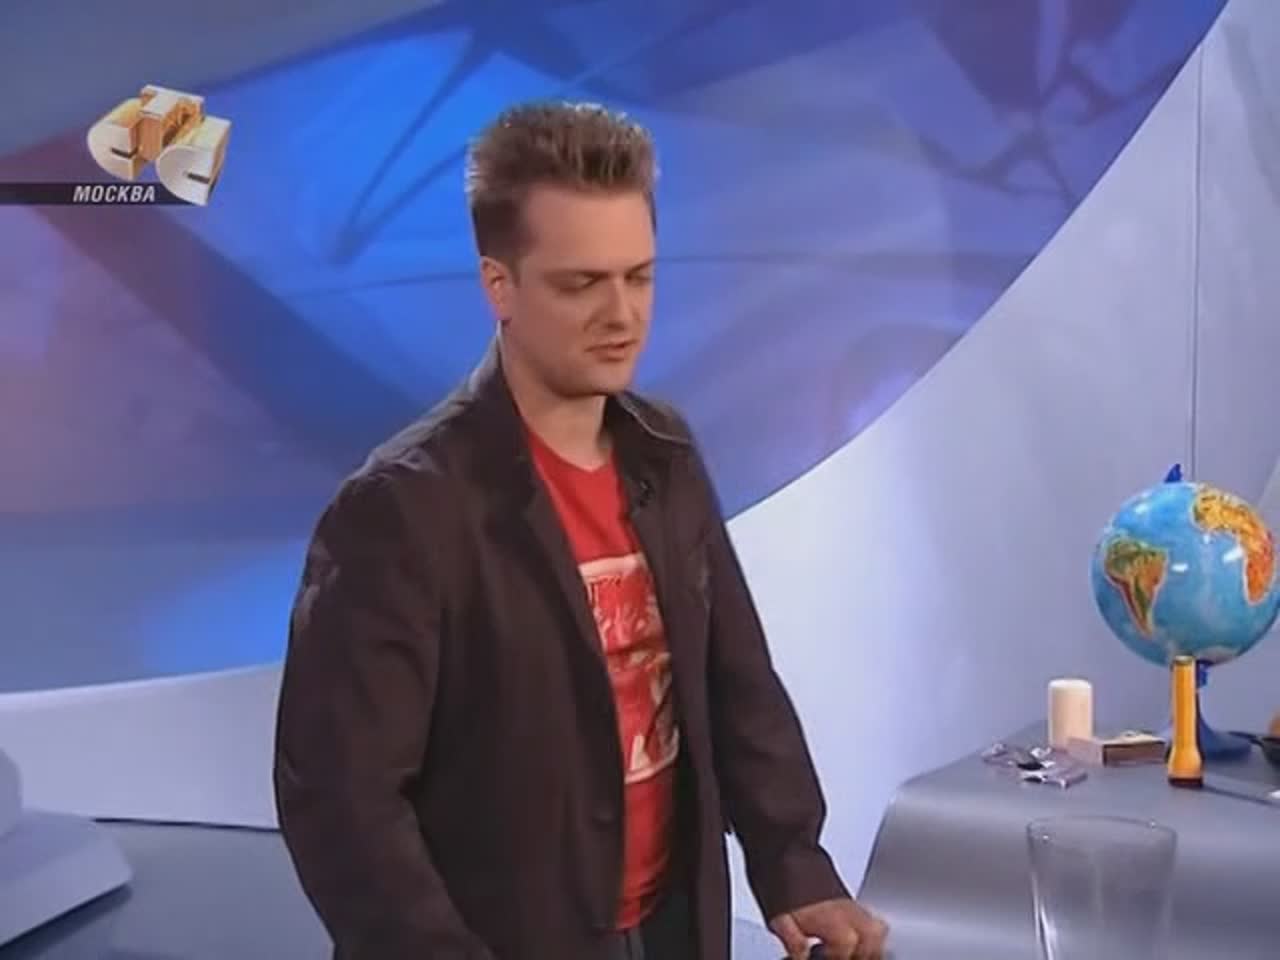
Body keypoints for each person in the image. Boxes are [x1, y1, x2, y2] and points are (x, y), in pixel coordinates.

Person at [273, 100, 889, 960]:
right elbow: (344, 802)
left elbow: (736, 682)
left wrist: (795, 867)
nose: (622, 314)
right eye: (581, 284)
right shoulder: (400, 510)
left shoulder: (664, 454)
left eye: (639, 277)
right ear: (499, 286)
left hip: (674, 928)